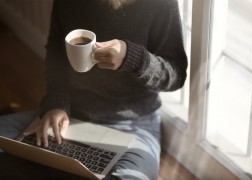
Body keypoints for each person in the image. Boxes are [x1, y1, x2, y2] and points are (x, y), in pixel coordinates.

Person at [0, 0, 188, 179]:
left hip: (134, 125)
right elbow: (57, 53)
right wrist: (55, 104)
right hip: (72, 114)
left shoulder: (161, 4)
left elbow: (176, 75)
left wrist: (134, 59)